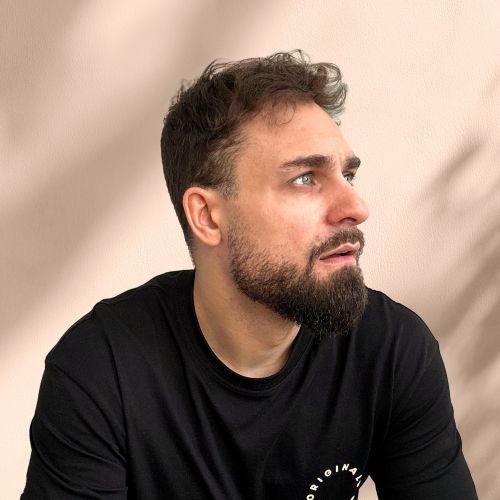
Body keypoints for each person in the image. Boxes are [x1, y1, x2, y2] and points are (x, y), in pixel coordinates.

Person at [22, 50, 477, 499]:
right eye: (305, 178)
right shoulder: (102, 371)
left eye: (348, 176)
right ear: (207, 216)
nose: (356, 208)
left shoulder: (390, 350)